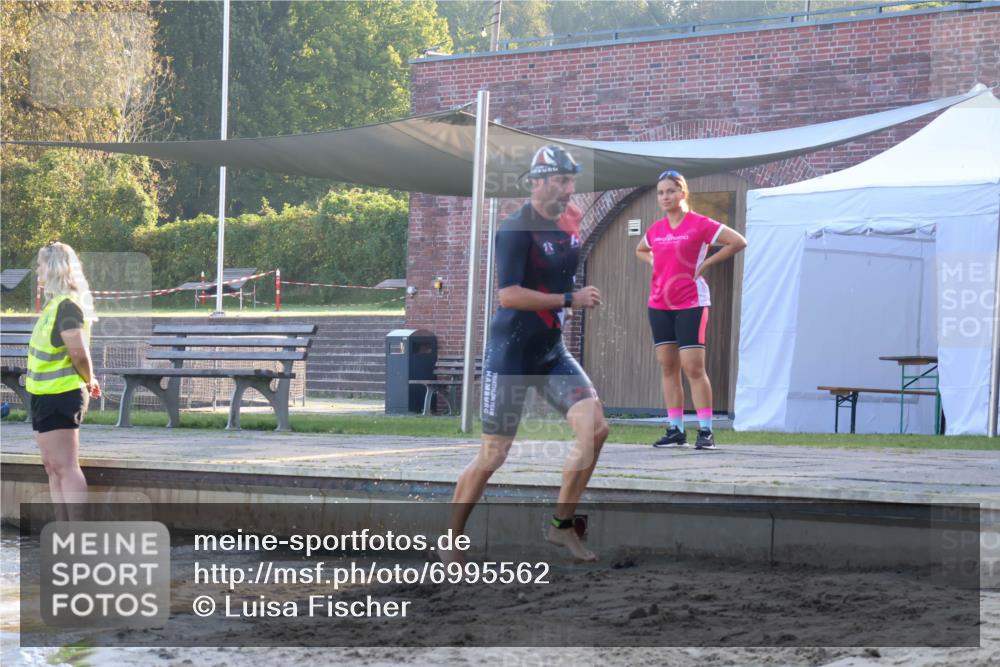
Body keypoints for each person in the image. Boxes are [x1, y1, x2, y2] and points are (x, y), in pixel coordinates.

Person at [446, 145, 608, 562]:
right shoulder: (515, 228)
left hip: (551, 352)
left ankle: (560, 528)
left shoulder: (571, 221)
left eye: (572, 181)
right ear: (536, 183)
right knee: (493, 454)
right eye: (561, 181)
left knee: (595, 430)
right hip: (512, 353)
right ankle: (451, 540)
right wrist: (569, 299)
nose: (569, 189)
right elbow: (509, 295)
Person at [636, 170, 747, 450]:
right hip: (659, 304)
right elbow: (641, 249)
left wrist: (707, 263)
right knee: (668, 366)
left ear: (683, 193)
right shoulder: (656, 229)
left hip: (691, 303)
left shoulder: (700, 224)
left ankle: (706, 431)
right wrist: (655, 264)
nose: (665, 197)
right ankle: (675, 429)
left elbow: (738, 241)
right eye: (661, 193)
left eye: (670, 191)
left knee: (693, 368)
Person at [27, 241, 101, 521]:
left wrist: (89, 378)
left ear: (55, 268)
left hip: (62, 394)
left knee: (66, 466)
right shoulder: (54, 305)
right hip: (44, 394)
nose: (37, 270)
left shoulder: (68, 306)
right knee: (51, 466)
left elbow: (78, 352)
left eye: (41, 264)